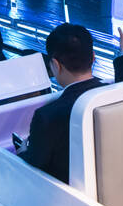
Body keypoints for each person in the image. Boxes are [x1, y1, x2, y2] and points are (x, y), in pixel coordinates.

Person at [18, 24, 105, 184]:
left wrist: (23, 151)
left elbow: (33, 165)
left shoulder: (47, 116)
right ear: (93, 57)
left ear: (56, 65)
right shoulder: (110, 93)